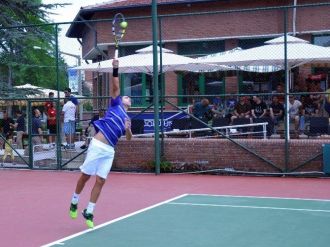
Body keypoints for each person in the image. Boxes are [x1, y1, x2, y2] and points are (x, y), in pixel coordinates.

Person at [69, 59, 132, 228]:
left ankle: (89, 211)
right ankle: (74, 200)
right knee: (86, 176)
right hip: (97, 146)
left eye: (129, 98)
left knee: (101, 181)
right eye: (126, 96)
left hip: (109, 151)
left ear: (130, 105)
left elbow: (128, 138)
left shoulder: (128, 119)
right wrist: (116, 68)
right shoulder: (115, 104)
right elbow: (116, 85)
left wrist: (127, 129)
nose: (127, 97)